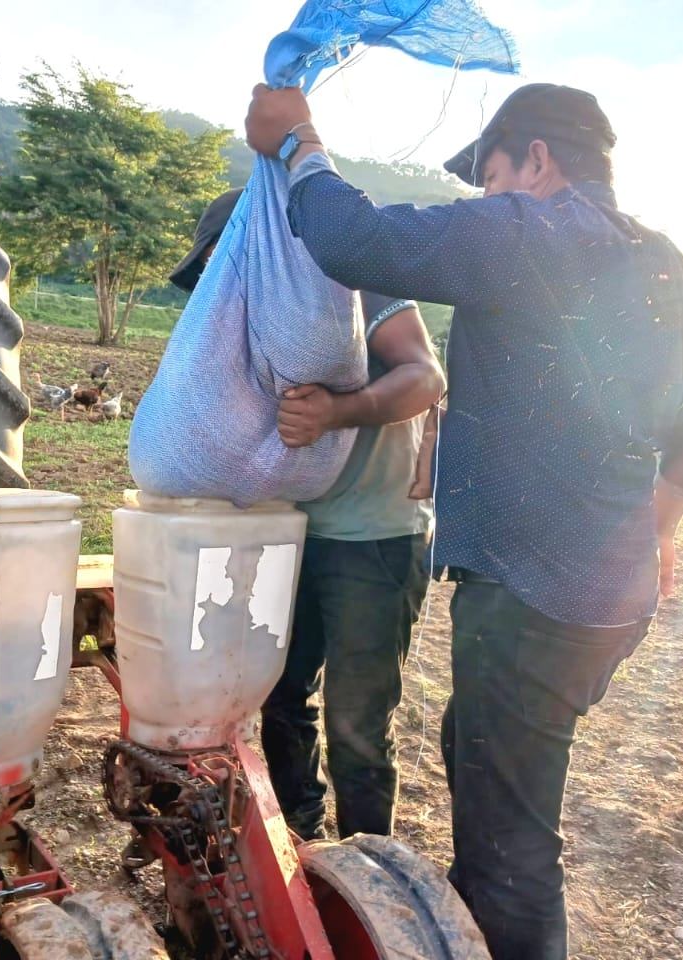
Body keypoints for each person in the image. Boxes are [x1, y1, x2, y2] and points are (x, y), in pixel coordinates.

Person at [245, 83, 683, 959]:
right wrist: (651, 533)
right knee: (485, 754)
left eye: (493, 174)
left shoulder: (528, 233)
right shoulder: (660, 259)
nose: (485, 197)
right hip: (606, 599)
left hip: (530, 595)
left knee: (511, 844)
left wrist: (300, 143)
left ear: (538, 160)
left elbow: (353, 239)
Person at [169, 189, 445, 841]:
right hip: (282, 534)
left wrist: (339, 411)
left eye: (224, 266)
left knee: (355, 722)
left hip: (371, 538)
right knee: (282, 694)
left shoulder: (351, 283)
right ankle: (301, 832)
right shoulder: (232, 325)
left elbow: (426, 376)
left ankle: (368, 864)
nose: (218, 286)